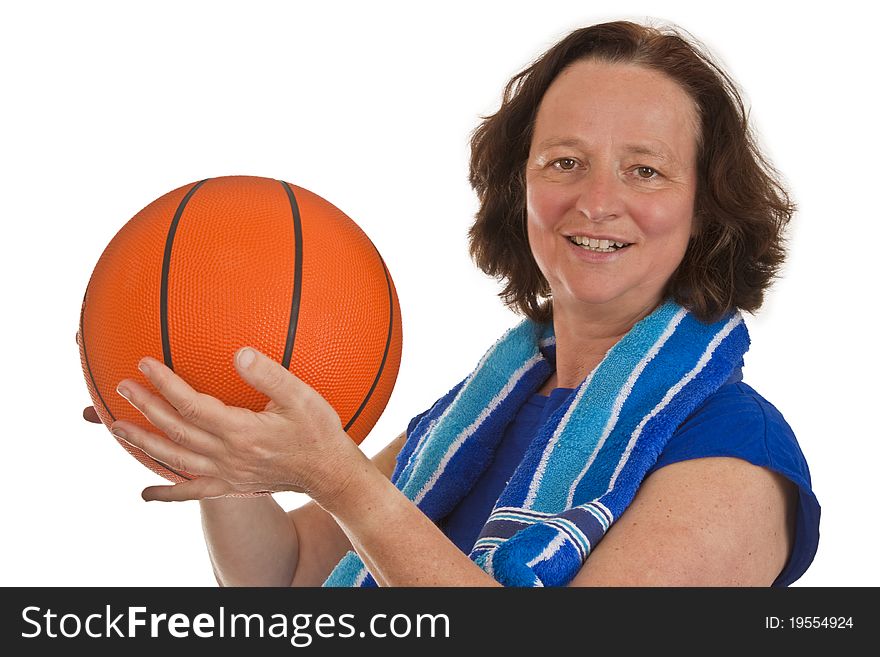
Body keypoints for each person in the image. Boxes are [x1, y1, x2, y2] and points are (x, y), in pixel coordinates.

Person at [83, 20, 819, 586]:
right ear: (519, 187)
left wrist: (342, 481)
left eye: (645, 170)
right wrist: (214, 445)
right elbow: (289, 573)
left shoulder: (738, 456)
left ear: (708, 208)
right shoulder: (473, 416)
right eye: (565, 161)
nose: (598, 202)